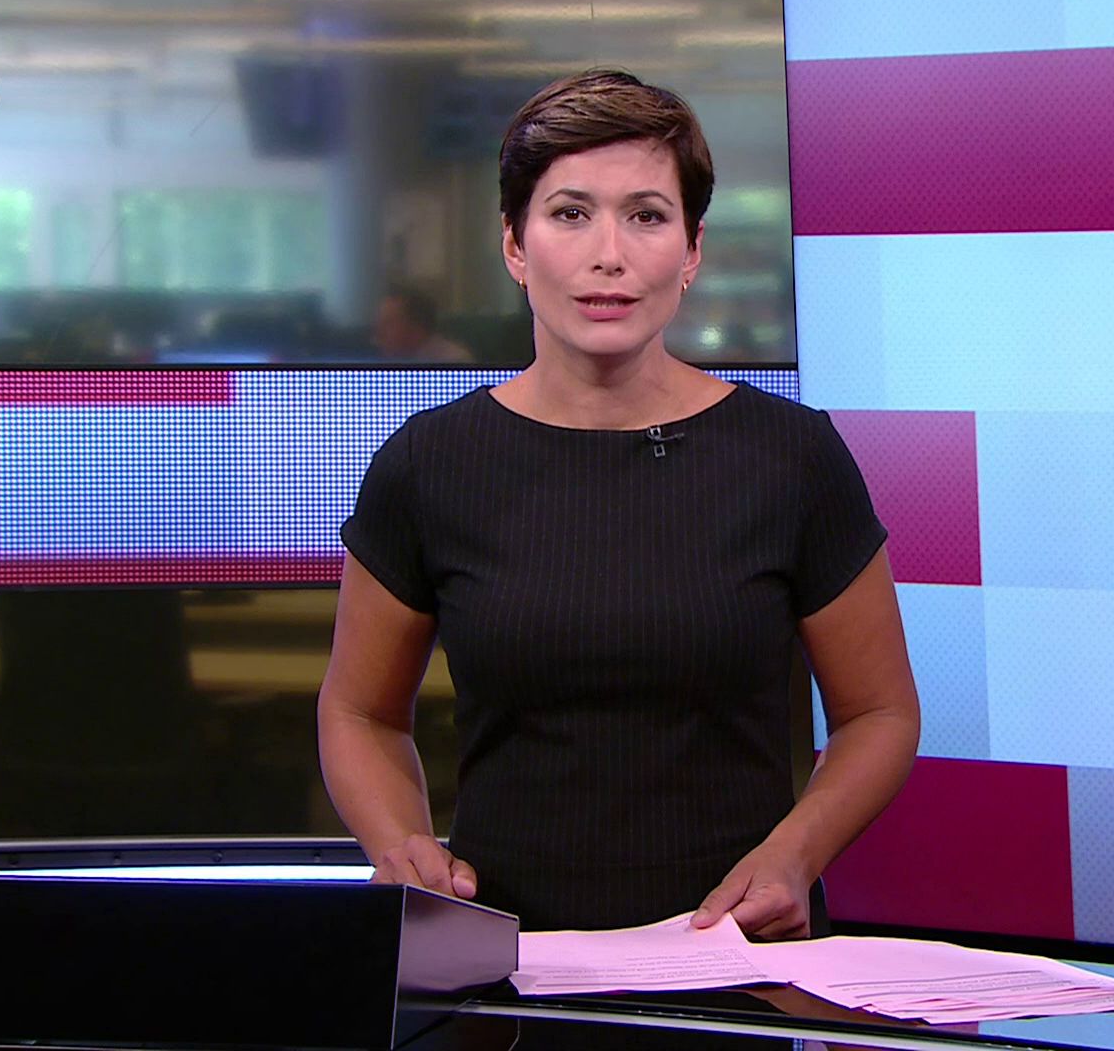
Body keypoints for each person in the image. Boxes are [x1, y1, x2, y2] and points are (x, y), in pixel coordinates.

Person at [318, 69, 920, 939]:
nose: (610, 254)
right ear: (515, 245)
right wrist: (400, 844)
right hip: (502, 953)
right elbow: (360, 712)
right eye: (570, 214)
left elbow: (879, 714)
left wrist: (797, 855)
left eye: (646, 215)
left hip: (737, 950)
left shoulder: (791, 456)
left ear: (692, 249)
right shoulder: (431, 463)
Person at [371, 286, 473, 362]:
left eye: (389, 323)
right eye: (380, 323)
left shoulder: (455, 362)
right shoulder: (384, 359)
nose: (379, 332)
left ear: (416, 329)